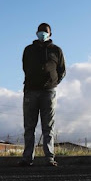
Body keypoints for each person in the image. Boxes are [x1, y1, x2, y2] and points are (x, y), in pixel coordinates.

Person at [18, 23, 66, 167]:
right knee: (29, 126)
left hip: (48, 92)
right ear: (36, 33)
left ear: (50, 34)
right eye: (40, 31)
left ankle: (49, 158)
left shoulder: (56, 50)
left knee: (48, 126)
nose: (42, 33)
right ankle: (27, 158)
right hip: (30, 91)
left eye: (45, 31)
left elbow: (62, 70)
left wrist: (53, 82)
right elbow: (25, 67)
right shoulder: (29, 50)